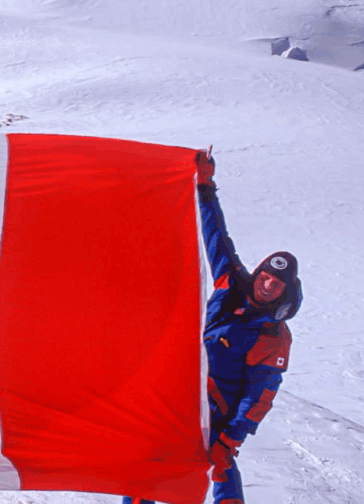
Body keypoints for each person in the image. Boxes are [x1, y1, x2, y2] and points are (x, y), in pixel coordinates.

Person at [124, 150, 302, 504]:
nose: (267, 285)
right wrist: (205, 188)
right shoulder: (231, 284)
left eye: (276, 284)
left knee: (218, 464)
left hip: (217, 410)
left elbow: (259, 395)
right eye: (265, 276)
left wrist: (230, 441)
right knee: (146, 462)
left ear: (284, 292)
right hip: (181, 393)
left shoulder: (274, 336)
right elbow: (216, 237)